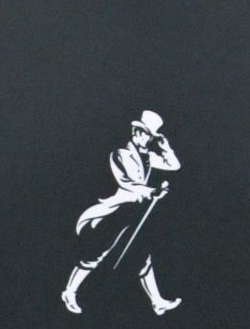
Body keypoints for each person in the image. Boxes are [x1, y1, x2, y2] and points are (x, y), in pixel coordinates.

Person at [62, 108, 179, 318]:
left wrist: (165, 147)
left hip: (136, 212)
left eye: (149, 136)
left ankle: (157, 301)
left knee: (143, 255)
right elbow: (127, 184)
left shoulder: (149, 157)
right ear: (136, 132)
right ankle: (70, 292)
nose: (145, 138)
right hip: (118, 210)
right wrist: (152, 191)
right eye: (143, 133)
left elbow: (174, 165)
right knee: (98, 252)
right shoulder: (120, 154)